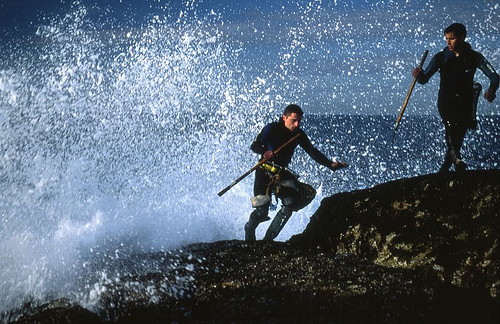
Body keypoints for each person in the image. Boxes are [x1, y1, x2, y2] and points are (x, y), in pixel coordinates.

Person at [244, 104, 347, 242]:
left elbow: (312, 151)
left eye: (299, 121)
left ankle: (267, 241)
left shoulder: (298, 134)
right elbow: (254, 145)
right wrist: (265, 152)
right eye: (293, 120)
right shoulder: (272, 128)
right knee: (262, 211)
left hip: (280, 174)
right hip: (264, 171)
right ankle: (249, 229)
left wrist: (330, 164)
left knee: (291, 202)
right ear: (284, 117)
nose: (297, 124)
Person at [412, 23, 499, 173]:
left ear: (462, 38)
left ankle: (444, 170)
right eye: (446, 38)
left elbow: (494, 76)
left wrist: (492, 89)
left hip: (466, 102)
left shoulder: (474, 57)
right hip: (446, 101)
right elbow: (424, 79)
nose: (448, 42)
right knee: (451, 128)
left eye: (452, 39)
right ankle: (458, 161)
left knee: (458, 138)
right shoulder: (440, 57)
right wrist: (418, 75)